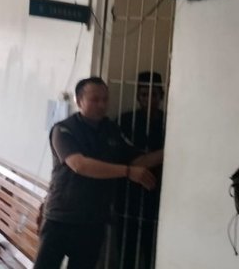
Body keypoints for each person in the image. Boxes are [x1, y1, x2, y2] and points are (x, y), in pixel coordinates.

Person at [34, 77, 163, 269]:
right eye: (95, 99)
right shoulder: (63, 129)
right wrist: (127, 172)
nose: (102, 105)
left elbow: (137, 160)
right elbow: (79, 165)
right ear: (79, 101)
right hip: (61, 218)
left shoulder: (112, 130)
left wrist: (170, 152)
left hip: (93, 221)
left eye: (105, 99)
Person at [114, 71, 166, 269]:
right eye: (144, 94)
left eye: (154, 94)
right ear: (138, 96)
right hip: (128, 197)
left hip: (157, 196)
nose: (149, 99)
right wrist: (165, 153)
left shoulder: (169, 122)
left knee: (152, 252)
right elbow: (132, 163)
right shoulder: (125, 121)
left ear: (161, 96)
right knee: (126, 253)